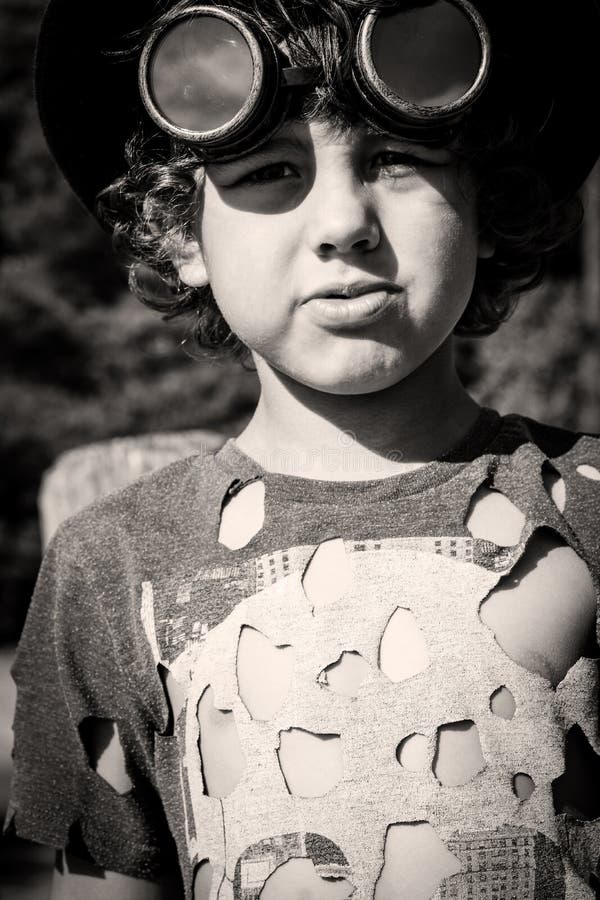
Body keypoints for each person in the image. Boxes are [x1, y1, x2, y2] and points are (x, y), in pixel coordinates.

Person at [6, 0, 600, 897]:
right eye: (272, 168)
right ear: (179, 234)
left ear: (489, 200)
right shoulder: (109, 567)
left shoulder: (587, 510)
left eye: (399, 158)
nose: (343, 222)